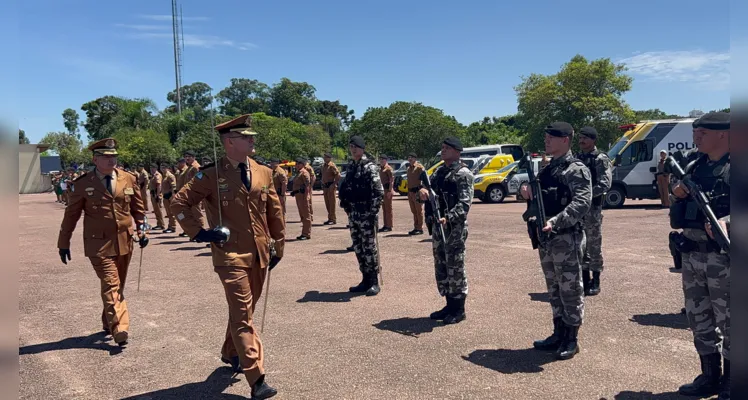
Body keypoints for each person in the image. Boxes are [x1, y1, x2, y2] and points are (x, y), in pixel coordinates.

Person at [170, 114, 284, 400]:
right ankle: (257, 379)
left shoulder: (263, 172)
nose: (253, 140)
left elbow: (275, 211)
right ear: (230, 142)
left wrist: (278, 245)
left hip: (258, 253)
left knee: (244, 310)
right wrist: (200, 233)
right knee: (244, 314)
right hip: (230, 254)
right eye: (247, 137)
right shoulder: (210, 175)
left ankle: (229, 351)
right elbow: (179, 202)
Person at [56, 138, 148, 346]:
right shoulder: (83, 184)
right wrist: (63, 243)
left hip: (125, 241)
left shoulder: (129, 179)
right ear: (95, 159)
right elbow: (71, 216)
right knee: (111, 283)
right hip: (98, 245)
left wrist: (143, 230)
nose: (111, 160)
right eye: (106, 157)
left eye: (114, 156)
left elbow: (139, 211)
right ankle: (120, 328)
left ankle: (108, 321)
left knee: (118, 285)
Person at [669, 112, 730, 399]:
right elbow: (674, 197)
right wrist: (677, 192)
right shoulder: (694, 165)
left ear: (723, 134)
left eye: (702, 132)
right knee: (698, 318)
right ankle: (709, 376)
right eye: (696, 132)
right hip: (692, 254)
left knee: (732, 322)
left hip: (726, 257)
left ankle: (733, 381)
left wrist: (729, 222)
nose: (696, 136)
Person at [520, 122, 591, 360]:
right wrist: (526, 190)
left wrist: (557, 221)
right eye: (546, 136)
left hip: (566, 237)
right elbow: (537, 192)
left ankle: (571, 338)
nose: (547, 140)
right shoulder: (547, 169)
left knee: (570, 289)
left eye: (552, 137)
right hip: (546, 238)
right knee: (554, 288)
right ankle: (558, 333)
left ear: (566, 140)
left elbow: (582, 203)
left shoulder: (575, 169)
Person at [419, 137, 473, 324]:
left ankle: (459, 309)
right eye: (442, 148)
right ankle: (449, 305)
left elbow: (464, 204)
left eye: (447, 148)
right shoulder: (439, 172)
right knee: (441, 265)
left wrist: (448, 218)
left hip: (454, 228)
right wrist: (423, 193)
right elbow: (428, 191)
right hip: (438, 225)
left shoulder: (463, 173)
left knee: (455, 266)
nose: (443, 151)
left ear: (457, 151)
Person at [338, 136, 384, 296]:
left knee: (369, 248)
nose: (353, 149)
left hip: (366, 213)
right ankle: (364, 279)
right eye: (351, 147)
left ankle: (374, 281)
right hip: (354, 213)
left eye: (356, 147)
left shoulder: (370, 167)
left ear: (362, 148)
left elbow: (379, 192)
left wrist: (372, 213)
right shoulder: (351, 166)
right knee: (358, 247)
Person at [575, 127, 612, 296]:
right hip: (576, 209)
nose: (581, 141)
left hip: (592, 208)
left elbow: (605, 183)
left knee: (593, 244)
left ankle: (595, 280)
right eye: (580, 138)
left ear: (593, 140)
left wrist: (586, 195)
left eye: (585, 138)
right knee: (579, 244)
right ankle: (584, 278)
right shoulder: (576, 158)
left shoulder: (600, 159)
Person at [182, 150, 206, 229]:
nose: (187, 158)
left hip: (195, 193)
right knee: (192, 212)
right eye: (186, 157)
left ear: (194, 157)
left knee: (197, 213)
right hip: (189, 192)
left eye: (189, 156)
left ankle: (201, 230)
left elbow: (199, 179)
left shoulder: (196, 167)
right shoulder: (190, 167)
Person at [292, 158, 312, 240]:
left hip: (303, 196)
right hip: (299, 196)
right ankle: (304, 232)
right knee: (302, 215)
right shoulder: (299, 173)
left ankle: (306, 233)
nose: (296, 165)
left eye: (298, 164)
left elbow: (307, 186)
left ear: (302, 164)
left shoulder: (304, 173)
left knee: (306, 215)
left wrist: (307, 196)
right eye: (296, 164)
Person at [406, 153, 425, 235]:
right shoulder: (408, 168)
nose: (410, 159)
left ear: (415, 158)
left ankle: (420, 228)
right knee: (413, 211)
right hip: (410, 192)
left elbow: (424, 179)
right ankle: (416, 227)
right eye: (409, 157)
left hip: (417, 192)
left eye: (412, 157)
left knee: (418, 210)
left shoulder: (419, 167)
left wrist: (423, 190)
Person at [320, 153, 340, 225]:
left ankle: (333, 219)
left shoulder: (332, 166)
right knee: (327, 203)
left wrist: (334, 184)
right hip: (325, 187)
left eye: (326, 157)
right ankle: (330, 218)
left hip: (331, 186)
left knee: (332, 204)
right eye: (324, 157)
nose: (324, 158)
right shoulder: (323, 166)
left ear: (329, 158)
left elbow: (338, 175)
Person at [378, 154, 394, 232]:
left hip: (387, 190)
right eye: (380, 159)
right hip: (382, 190)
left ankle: (389, 225)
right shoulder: (381, 169)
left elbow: (391, 180)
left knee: (388, 209)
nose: (381, 161)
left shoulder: (388, 169)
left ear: (386, 160)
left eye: (383, 159)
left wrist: (390, 191)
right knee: (384, 208)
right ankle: (385, 225)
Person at [160, 164, 178, 234]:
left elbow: (174, 187)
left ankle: (173, 227)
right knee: (168, 213)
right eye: (161, 168)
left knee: (171, 213)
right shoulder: (163, 176)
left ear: (168, 168)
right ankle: (170, 226)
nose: (162, 169)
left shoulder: (170, 176)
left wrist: (172, 196)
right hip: (165, 196)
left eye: (164, 167)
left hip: (170, 196)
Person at [148, 164, 165, 230]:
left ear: (155, 168)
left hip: (156, 195)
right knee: (156, 210)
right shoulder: (153, 175)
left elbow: (159, 186)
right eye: (151, 168)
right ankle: (159, 224)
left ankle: (161, 224)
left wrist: (157, 195)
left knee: (158, 211)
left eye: (153, 168)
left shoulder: (157, 175)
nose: (151, 169)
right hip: (153, 194)